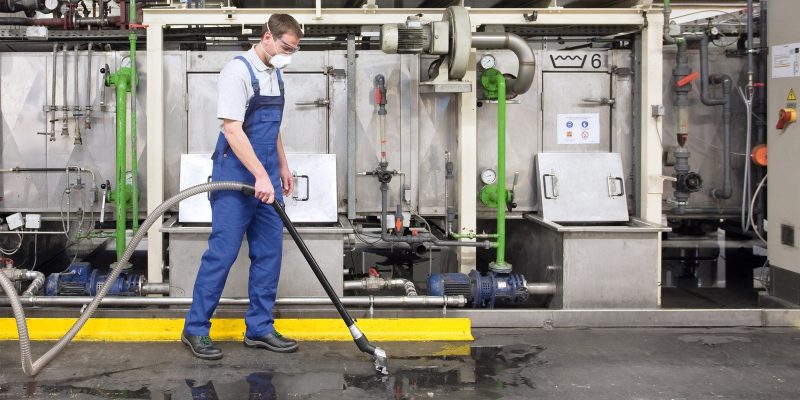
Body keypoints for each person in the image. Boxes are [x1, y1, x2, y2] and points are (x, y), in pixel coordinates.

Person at [181, 14, 302, 360]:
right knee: (222, 254)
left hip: (267, 175)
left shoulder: (275, 73)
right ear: (267, 38)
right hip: (235, 175)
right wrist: (260, 175)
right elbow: (232, 130)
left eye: (294, 50)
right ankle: (195, 329)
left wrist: (281, 166)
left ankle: (259, 328)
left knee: (269, 253)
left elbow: (272, 127)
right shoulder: (238, 72)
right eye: (285, 47)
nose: (288, 55)